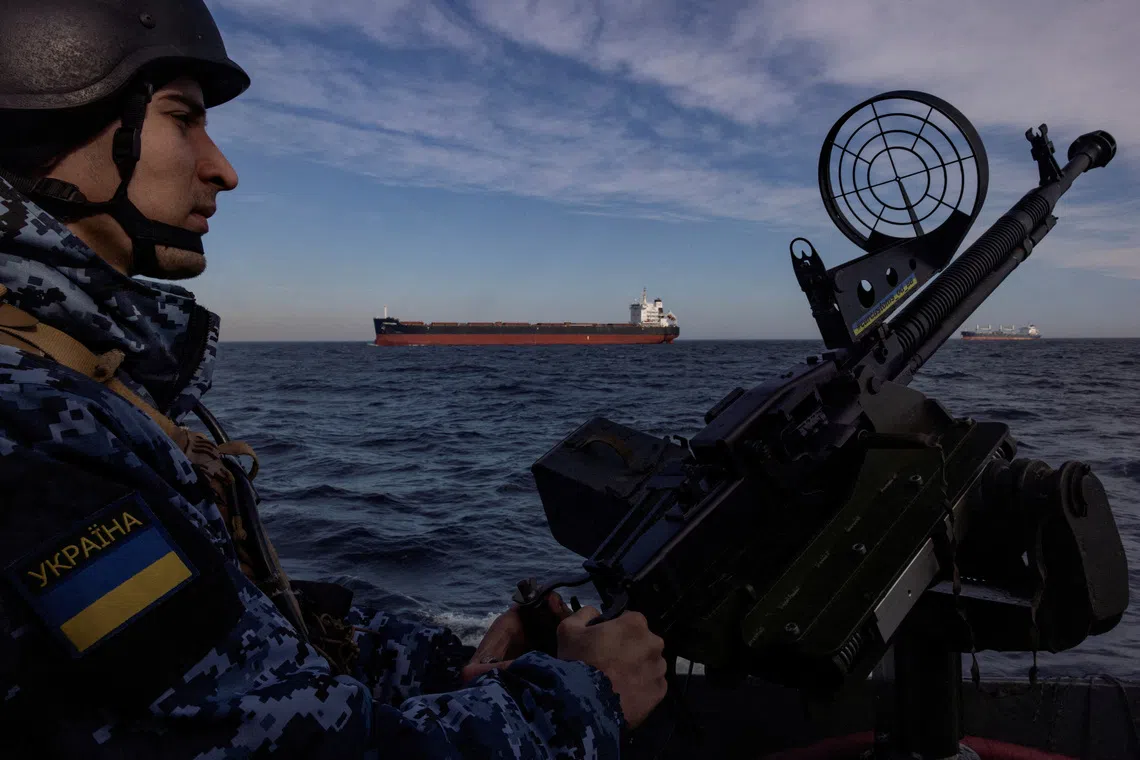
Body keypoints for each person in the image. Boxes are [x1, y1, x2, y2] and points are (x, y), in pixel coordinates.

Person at [0, 1, 668, 756]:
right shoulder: (30, 430)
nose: (222, 168)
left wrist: (453, 661)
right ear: (51, 119)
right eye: (182, 118)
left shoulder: (100, 380)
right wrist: (590, 696)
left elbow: (236, 630)